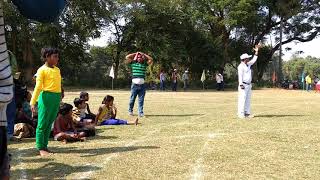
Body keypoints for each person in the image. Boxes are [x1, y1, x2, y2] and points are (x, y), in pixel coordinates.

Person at [30, 47, 62, 156]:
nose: (57, 59)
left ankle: (45, 145)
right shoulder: (41, 70)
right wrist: (32, 102)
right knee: (42, 123)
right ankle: (40, 147)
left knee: (49, 123)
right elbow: (38, 87)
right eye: (55, 56)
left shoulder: (57, 69)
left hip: (56, 98)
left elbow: (58, 84)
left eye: (58, 56)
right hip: (45, 98)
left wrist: (60, 96)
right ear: (47, 57)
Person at [126, 52, 153, 117]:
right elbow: (127, 57)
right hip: (134, 85)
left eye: (140, 57)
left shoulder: (144, 64)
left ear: (142, 58)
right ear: (136, 58)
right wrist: (136, 53)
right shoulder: (133, 64)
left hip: (142, 85)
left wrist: (143, 54)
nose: (139, 58)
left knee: (141, 100)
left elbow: (151, 59)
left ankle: (140, 112)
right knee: (132, 99)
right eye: (138, 57)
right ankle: (130, 111)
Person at [237, 43, 261, 119]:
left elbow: (254, 59)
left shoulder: (248, 64)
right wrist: (241, 84)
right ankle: (241, 114)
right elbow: (240, 76)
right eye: (248, 58)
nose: (249, 59)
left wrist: (257, 51)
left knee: (247, 100)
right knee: (242, 99)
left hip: (249, 85)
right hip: (243, 85)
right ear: (244, 59)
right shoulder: (240, 66)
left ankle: (247, 113)